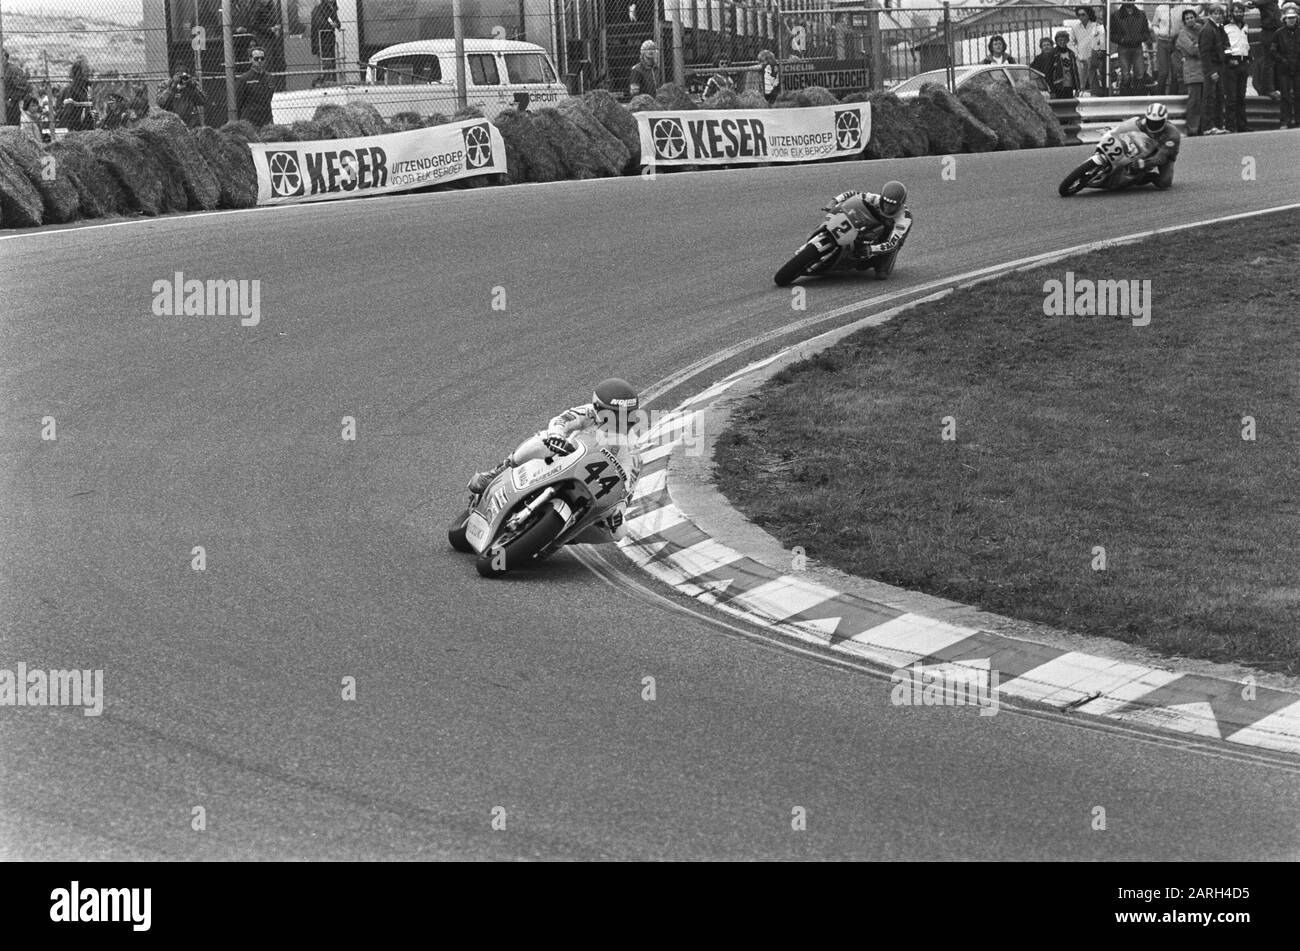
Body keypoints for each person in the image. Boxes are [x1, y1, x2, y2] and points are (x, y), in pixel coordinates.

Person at [465, 379, 644, 542]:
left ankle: (562, 536)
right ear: (597, 408)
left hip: (592, 487)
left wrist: (617, 512)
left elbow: (626, 490)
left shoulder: (633, 449)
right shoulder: (588, 413)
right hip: (562, 461)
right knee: (541, 440)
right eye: (614, 415)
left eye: (626, 416)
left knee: (619, 532)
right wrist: (556, 437)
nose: (620, 422)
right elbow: (561, 421)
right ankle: (499, 470)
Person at [825, 181, 912, 269]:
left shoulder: (904, 219)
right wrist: (835, 200)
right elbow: (854, 194)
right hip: (870, 224)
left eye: (892, 205)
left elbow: (892, 243)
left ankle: (873, 261)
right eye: (885, 202)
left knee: (881, 273)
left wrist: (872, 249)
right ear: (881, 198)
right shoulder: (875, 199)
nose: (887, 207)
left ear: (899, 205)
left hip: (887, 235)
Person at [1098, 102, 1183, 188]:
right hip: (1145, 144)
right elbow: (1126, 126)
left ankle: (1143, 178)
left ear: (1164, 121)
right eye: (1151, 121)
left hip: (1163, 153)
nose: (1153, 125)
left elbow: (1160, 158)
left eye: (1157, 122)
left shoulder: (1172, 136)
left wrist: (1144, 163)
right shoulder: (1143, 123)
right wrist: (1112, 132)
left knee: (1165, 182)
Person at [1199, 4, 1230, 134]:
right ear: (1210, 14)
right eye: (1215, 13)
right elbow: (1204, 52)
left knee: (1218, 96)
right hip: (1212, 67)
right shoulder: (1208, 29)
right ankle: (1207, 126)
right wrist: (1211, 71)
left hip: (1219, 65)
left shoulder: (1218, 28)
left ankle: (1217, 125)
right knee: (1210, 97)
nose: (1218, 16)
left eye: (1220, 14)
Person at [1112, 2, 1154, 94]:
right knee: (1125, 75)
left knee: (1140, 74)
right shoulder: (1115, 15)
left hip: (1137, 47)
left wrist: (1139, 39)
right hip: (1123, 47)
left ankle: (1138, 99)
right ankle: (1125, 100)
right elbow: (1112, 34)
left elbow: (1146, 32)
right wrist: (1122, 40)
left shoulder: (1141, 14)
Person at [1223, 3, 1252, 131]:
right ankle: (1230, 125)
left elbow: (1246, 43)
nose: (1239, 13)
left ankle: (1242, 126)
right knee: (1231, 97)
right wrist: (1229, 59)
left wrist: (1249, 58)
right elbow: (1223, 45)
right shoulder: (1226, 27)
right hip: (1231, 64)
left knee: (1241, 96)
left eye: (1241, 11)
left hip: (1243, 63)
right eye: (1236, 11)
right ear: (1232, 12)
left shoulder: (1245, 26)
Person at [1178, 8, 1206, 132]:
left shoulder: (1201, 29)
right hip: (1192, 71)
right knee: (1194, 101)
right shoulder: (1183, 33)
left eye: (1192, 17)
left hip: (1205, 70)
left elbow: (1208, 45)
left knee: (1205, 100)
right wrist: (1201, 48)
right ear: (1184, 21)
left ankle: (1203, 127)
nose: (1190, 20)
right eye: (1187, 18)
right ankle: (1192, 128)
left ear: (1195, 17)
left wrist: (1198, 46)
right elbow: (1192, 50)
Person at [1070, 6, 1108, 94]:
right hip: (1080, 59)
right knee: (1081, 82)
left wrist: (1097, 53)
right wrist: (1077, 54)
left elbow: (1101, 41)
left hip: (1093, 58)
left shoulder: (1097, 26)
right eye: (1079, 15)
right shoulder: (1075, 28)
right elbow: (1071, 43)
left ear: (1088, 15)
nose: (1081, 17)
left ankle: (1096, 96)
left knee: (1093, 81)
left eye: (1083, 14)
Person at [1250, 0, 1282, 98]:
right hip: (1269, 32)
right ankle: (1268, 89)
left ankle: (1276, 87)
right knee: (1269, 62)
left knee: (1276, 61)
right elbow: (1255, 2)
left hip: (1276, 31)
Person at [1274, 2, 1300, 126]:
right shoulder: (1278, 33)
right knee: (1285, 96)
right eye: (1289, 18)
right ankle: (1285, 120)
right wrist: (1283, 60)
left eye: (1294, 18)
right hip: (1284, 69)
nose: (1291, 20)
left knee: (1299, 95)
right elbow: (1273, 51)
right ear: (1284, 19)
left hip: (1298, 68)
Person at [235, 46, 275, 126]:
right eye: (256, 58)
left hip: (266, 118)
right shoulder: (244, 78)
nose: (259, 61)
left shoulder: (269, 77)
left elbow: (270, 96)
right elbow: (239, 102)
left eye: (262, 58)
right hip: (250, 120)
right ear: (250, 59)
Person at [57, 55, 96, 132]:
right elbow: (68, 113)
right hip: (75, 128)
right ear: (78, 73)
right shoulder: (70, 90)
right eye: (85, 72)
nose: (88, 74)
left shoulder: (86, 88)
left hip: (86, 126)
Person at [310, 0, 341, 82]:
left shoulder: (332, 9)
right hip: (322, 40)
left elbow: (337, 23)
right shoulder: (319, 9)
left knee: (330, 61)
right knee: (326, 61)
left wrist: (335, 24)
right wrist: (332, 24)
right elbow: (320, 24)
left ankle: (329, 80)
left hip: (330, 40)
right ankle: (326, 80)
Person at [1046, 30, 1082, 97]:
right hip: (1057, 87)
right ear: (1056, 41)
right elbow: (1048, 74)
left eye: (1064, 40)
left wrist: (1077, 88)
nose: (1062, 42)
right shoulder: (1052, 54)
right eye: (1060, 40)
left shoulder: (1071, 54)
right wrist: (1051, 90)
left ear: (1067, 41)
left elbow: (1075, 71)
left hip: (1069, 86)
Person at [3, 49, 31, 126]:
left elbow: (23, 87)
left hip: (10, 106)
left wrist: (11, 99)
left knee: (12, 128)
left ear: (6, 58)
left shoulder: (14, 70)